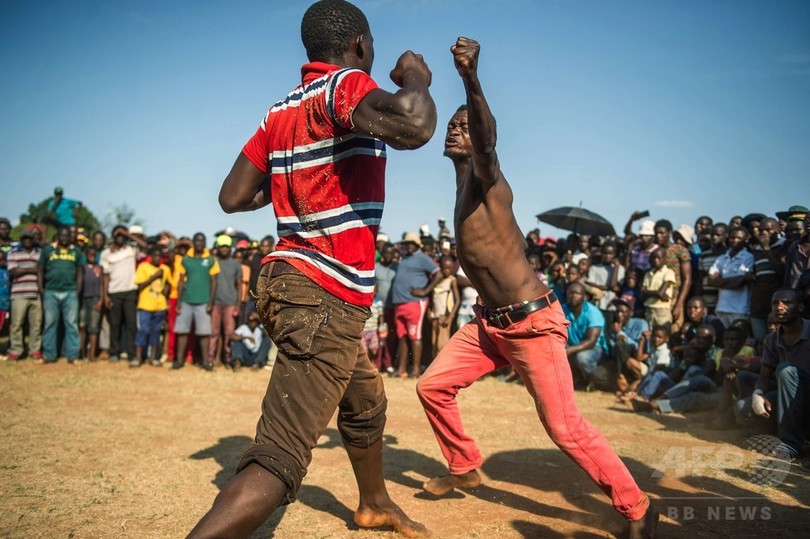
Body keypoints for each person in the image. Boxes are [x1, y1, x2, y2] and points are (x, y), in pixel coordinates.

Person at [187, 1, 436, 537]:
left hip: (288, 280)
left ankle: (374, 503)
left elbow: (233, 196)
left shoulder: (279, 112)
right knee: (278, 458)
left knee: (364, 400)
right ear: (359, 46)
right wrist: (415, 75)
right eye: (370, 47)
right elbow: (415, 124)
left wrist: (289, 178)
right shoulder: (342, 86)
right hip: (324, 292)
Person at [415, 37, 656, 538]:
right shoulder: (459, 189)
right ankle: (464, 466)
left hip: (531, 325)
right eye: (453, 124)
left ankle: (637, 507)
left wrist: (470, 78)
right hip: (489, 326)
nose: (457, 129)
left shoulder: (487, 180)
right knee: (432, 386)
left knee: (566, 428)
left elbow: (486, 143)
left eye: (465, 124)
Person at [745, 288, 810, 459]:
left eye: (786, 303)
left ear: (800, 307)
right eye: (775, 303)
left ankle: (791, 444)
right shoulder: (772, 339)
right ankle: (789, 436)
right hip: (790, 399)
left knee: (786, 370)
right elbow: (764, 377)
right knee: (743, 407)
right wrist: (758, 394)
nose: (779, 307)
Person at [391, 232, 439, 378]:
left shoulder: (423, 258)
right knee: (402, 336)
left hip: (414, 302)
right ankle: (402, 369)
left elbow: (438, 273)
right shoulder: (405, 258)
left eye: (411, 243)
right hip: (400, 303)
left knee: (415, 336)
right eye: (406, 244)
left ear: (417, 244)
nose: (408, 246)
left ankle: (416, 370)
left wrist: (425, 291)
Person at [38, 226, 84, 363]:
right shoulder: (48, 250)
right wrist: (41, 288)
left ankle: (73, 355)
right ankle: (49, 354)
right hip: (51, 291)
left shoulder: (76, 251)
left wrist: (78, 290)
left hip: (70, 292)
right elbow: (40, 269)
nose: (64, 238)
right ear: (57, 236)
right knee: (50, 324)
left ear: (71, 237)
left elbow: (80, 272)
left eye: (67, 236)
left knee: (72, 324)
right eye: (62, 235)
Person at [174, 232, 219, 371]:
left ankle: (205, 362)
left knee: (204, 333)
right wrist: (178, 301)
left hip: (204, 301)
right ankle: (179, 361)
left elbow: (214, 282)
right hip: (186, 300)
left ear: (205, 243)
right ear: (193, 243)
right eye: (197, 241)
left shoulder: (211, 260)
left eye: (202, 241)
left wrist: (211, 302)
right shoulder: (185, 259)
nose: (199, 243)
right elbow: (181, 281)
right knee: (182, 332)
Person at [100, 226, 143, 362]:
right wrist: (105, 296)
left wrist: (127, 234)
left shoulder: (131, 249)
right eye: (117, 234)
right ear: (113, 236)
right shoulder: (106, 253)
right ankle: (114, 353)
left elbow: (145, 245)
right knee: (115, 324)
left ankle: (131, 354)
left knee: (131, 324)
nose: (120, 237)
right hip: (114, 292)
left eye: (122, 235)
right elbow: (105, 276)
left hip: (130, 291)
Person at [6, 229, 42, 361]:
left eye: (29, 238)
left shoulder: (39, 253)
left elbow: (41, 270)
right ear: (21, 240)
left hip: (36, 293)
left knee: (36, 324)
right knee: (16, 324)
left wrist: (23, 269)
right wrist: (33, 269)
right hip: (18, 294)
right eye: (24, 238)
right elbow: (13, 271)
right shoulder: (13, 252)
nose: (27, 241)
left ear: (33, 239)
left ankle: (34, 350)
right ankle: (16, 350)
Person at [708, 226, 754, 328]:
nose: (735, 240)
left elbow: (738, 283)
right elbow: (710, 281)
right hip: (721, 308)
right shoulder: (722, 258)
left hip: (740, 309)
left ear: (746, 240)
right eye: (732, 238)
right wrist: (733, 281)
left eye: (739, 238)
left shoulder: (749, 258)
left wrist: (719, 281)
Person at [133, 245, 171, 367]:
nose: (157, 258)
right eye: (155, 256)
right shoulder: (143, 267)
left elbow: (168, 283)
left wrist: (166, 290)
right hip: (145, 305)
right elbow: (140, 286)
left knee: (156, 332)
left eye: (159, 256)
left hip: (160, 306)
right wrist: (154, 277)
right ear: (150, 257)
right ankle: (138, 357)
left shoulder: (165, 269)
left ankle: (153, 358)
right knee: (143, 330)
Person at [209, 234, 242, 366]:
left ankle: (228, 359)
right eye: (222, 246)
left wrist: (238, 305)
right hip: (215, 303)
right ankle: (210, 359)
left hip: (230, 303)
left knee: (229, 333)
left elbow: (239, 285)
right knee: (214, 333)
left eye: (226, 246)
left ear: (230, 248)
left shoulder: (235, 264)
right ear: (217, 247)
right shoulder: (213, 262)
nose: (224, 249)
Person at [78, 245, 102, 362]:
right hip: (83, 299)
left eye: (94, 255)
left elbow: (102, 284)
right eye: (90, 254)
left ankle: (92, 354)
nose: (92, 257)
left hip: (95, 299)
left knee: (94, 328)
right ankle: (82, 353)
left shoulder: (99, 268)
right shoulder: (81, 268)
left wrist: (100, 300)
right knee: (82, 326)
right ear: (86, 255)